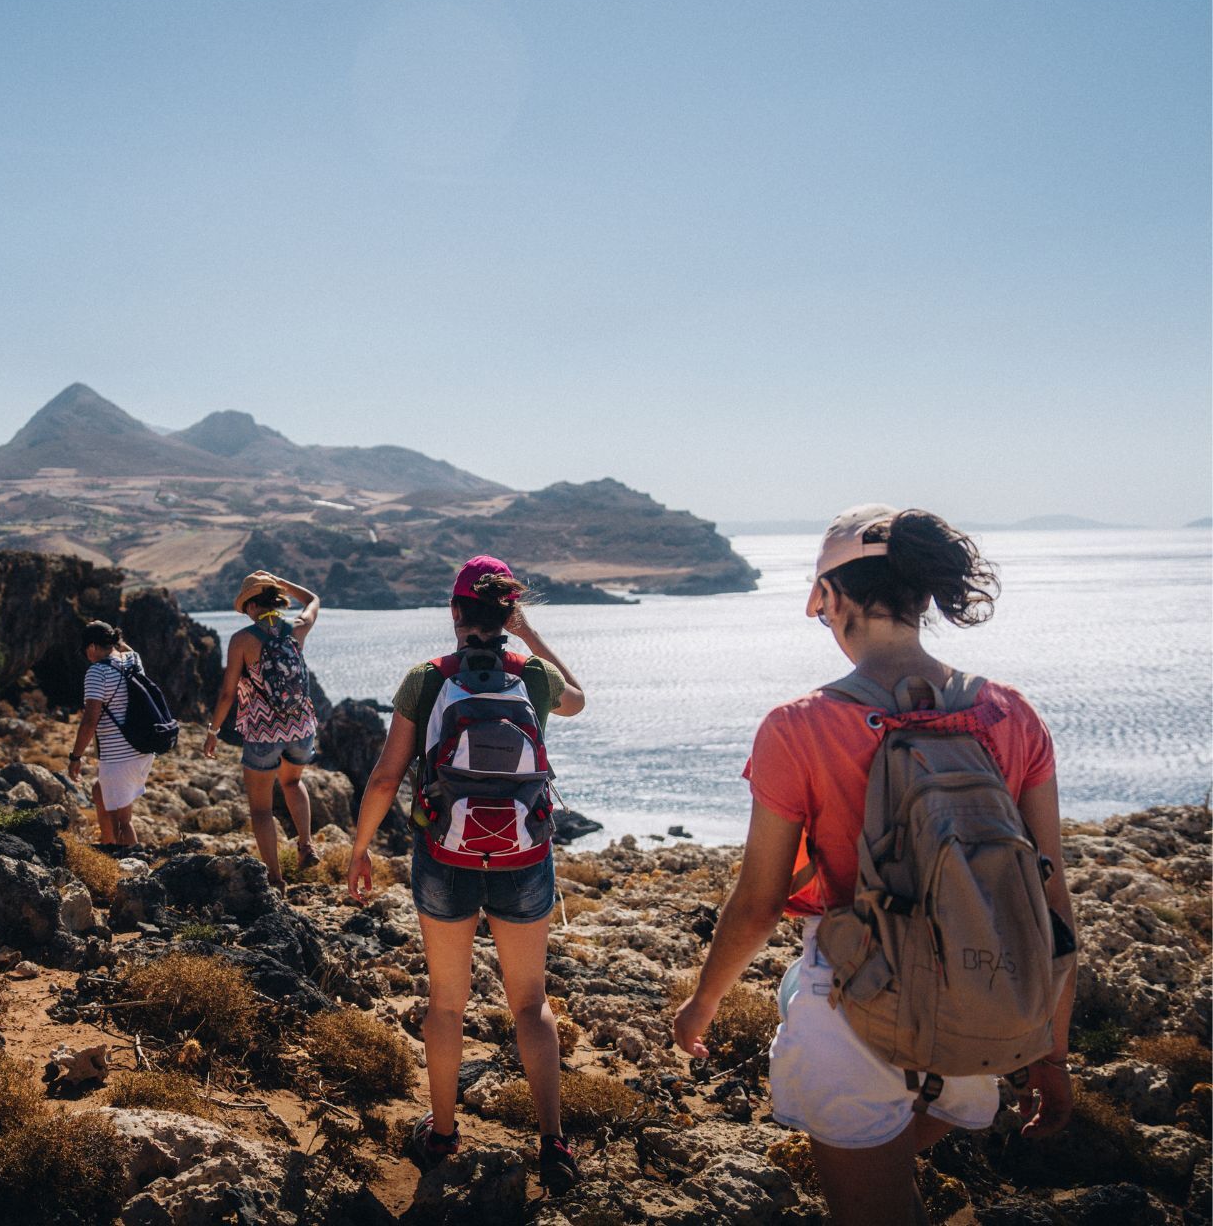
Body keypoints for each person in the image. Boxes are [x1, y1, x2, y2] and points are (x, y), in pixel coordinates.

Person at [673, 506, 1076, 1226]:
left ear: (830, 596)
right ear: (922, 595)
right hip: (984, 1000)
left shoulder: (797, 727)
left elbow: (760, 902)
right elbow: (1053, 905)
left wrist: (703, 1001)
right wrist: (1050, 1051)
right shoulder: (1014, 715)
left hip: (854, 1003)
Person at [346, 555, 586, 1194]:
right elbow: (580, 701)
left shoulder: (426, 681)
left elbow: (386, 776)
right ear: (508, 613)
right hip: (524, 858)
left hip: (444, 860)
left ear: (454, 613)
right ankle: (553, 1142)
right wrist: (529, 637)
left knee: (447, 1003)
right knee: (531, 1006)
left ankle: (444, 1131)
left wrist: (360, 848)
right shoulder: (530, 677)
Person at [203, 571, 321, 894]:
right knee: (293, 782)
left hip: (263, 732)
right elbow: (313, 600)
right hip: (300, 727)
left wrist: (213, 731)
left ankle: (276, 879)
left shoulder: (243, 640)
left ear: (252, 605)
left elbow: (227, 693)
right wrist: (285, 584)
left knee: (261, 808)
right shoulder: (297, 628)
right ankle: (306, 845)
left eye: (246, 607)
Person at [68, 621, 151, 846]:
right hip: (142, 748)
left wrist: (75, 757)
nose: (86, 655)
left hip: (120, 755)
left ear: (92, 647)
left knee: (123, 820)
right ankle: (108, 846)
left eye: (86, 650)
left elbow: (89, 721)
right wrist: (114, 639)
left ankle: (133, 869)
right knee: (99, 791)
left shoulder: (97, 671)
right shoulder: (134, 660)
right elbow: (127, 649)